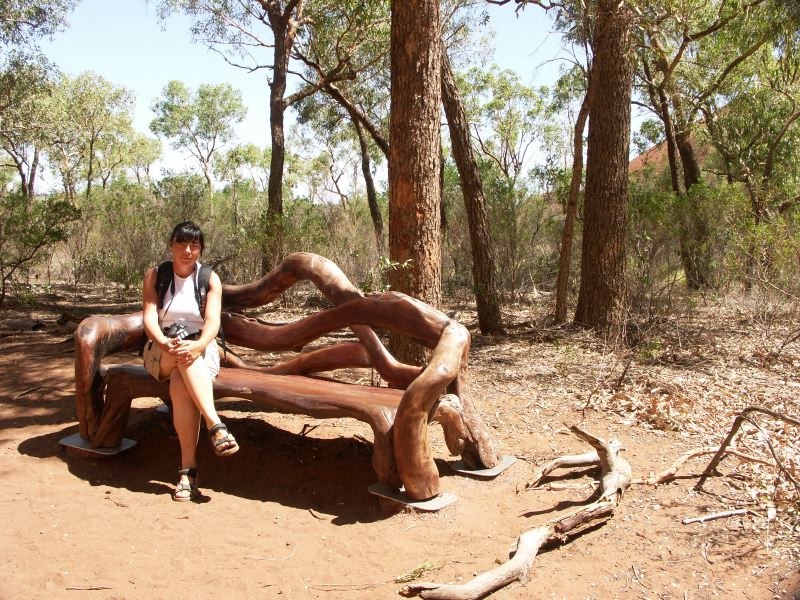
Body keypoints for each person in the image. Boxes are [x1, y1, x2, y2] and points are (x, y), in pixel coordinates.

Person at [142, 221, 239, 502]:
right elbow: (149, 316)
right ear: (171, 245)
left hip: (199, 348)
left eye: (194, 245)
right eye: (182, 244)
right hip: (161, 350)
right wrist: (163, 342)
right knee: (180, 357)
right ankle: (215, 426)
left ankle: (188, 473)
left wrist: (197, 345)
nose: (188, 250)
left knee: (181, 380)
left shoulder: (209, 278)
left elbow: (212, 322)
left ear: (201, 249)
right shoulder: (155, 275)